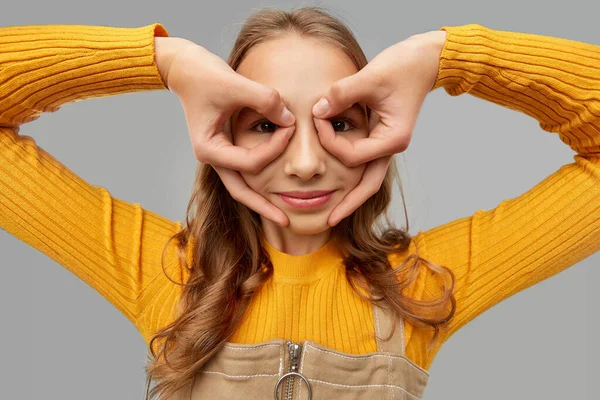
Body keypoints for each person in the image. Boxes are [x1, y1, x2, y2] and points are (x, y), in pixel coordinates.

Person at [0, 5, 598, 400]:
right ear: (221, 133)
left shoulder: (422, 284)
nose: (307, 161)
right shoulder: (168, 273)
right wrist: (164, 62)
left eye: (341, 121)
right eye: (263, 124)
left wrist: (446, 58)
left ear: (380, 132)